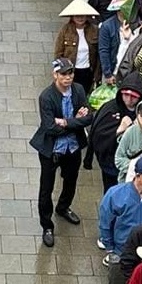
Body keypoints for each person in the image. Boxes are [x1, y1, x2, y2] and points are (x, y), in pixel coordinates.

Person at [31, 56, 91, 245]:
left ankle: (63, 207)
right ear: (55, 74)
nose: (68, 77)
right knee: (46, 188)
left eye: (70, 73)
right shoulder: (46, 96)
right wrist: (75, 121)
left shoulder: (79, 90)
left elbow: (88, 116)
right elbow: (49, 127)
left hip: (72, 147)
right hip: (52, 149)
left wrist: (65, 121)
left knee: (71, 180)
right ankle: (47, 225)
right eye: (64, 74)